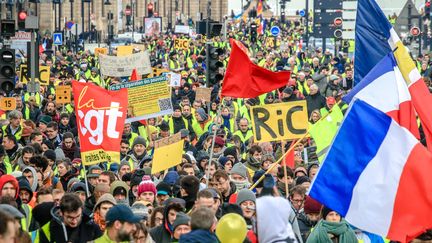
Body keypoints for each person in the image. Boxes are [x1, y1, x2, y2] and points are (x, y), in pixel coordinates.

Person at [34, 193, 102, 243]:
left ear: (82, 210)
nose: (74, 221)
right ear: (61, 213)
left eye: (78, 216)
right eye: (70, 217)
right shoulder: (48, 229)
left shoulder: (92, 227)